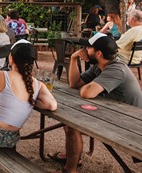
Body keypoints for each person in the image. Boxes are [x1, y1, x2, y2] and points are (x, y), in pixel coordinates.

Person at [49, 33, 142, 173]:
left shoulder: (116, 69)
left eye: (89, 48)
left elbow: (86, 93)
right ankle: (72, 157)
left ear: (98, 53)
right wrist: (74, 58)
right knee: (71, 122)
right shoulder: (100, 65)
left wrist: (87, 87)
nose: (85, 50)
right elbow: (75, 83)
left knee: (73, 126)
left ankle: (70, 169)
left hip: (129, 122)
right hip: (114, 111)